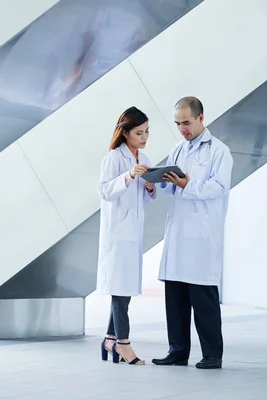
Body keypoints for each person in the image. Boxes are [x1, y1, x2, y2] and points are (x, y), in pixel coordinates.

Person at [152, 96, 233, 369]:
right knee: (175, 297)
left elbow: (218, 188)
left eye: (186, 122)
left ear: (200, 118)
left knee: (203, 299)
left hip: (201, 236)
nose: (182, 129)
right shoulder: (178, 149)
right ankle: (177, 351)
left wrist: (187, 184)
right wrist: (158, 181)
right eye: (177, 124)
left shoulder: (219, 151)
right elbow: (171, 186)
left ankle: (212, 355)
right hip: (178, 234)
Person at [97, 106, 156, 365]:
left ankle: (110, 339)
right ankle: (123, 344)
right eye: (139, 132)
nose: (144, 137)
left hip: (133, 232)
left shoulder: (143, 157)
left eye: (146, 132)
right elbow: (105, 191)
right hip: (118, 234)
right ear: (125, 133)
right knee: (120, 290)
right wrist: (129, 175)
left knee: (125, 288)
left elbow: (144, 198)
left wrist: (152, 185)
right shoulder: (114, 158)